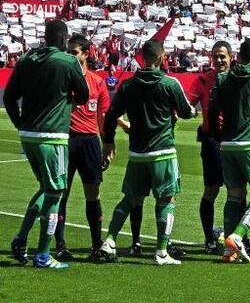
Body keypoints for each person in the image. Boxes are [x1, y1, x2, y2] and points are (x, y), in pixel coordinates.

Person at [97, 39, 195, 265]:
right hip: (163, 151)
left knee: (130, 199)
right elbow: (187, 111)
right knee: (167, 200)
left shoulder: (128, 86)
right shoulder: (170, 84)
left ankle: (110, 240)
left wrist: (108, 141)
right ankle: (161, 252)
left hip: (137, 154)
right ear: (162, 58)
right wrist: (188, 113)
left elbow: (111, 115)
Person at [5, 19, 88, 269]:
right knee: (54, 193)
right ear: (63, 39)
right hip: (53, 136)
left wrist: (20, 123)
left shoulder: (26, 59)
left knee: (45, 187)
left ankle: (21, 238)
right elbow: (83, 95)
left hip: (28, 136)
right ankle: (43, 255)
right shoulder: (68, 61)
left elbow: (9, 97)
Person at [207, 37, 250, 263]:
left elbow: (212, 109)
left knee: (234, 194)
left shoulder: (223, 78)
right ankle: (238, 235)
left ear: (238, 56)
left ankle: (229, 250)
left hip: (227, 144)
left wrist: (218, 135)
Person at [54, 35, 110, 261]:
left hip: (89, 142)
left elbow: (103, 116)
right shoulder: (62, 79)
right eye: (68, 52)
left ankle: (96, 246)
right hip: (66, 140)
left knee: (92, 195)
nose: (71, 56)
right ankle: (59, 245)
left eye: (74, 52)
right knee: (61, 195)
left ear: (86, 54)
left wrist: (108, 143)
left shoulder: (97, 82)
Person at [186, 41, 232, 253]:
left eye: (223, 56)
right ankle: (209, 240)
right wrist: (188, 109)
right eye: (216, 56)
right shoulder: (204, 80)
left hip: (234, 140)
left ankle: (235, 237)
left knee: (236, 191)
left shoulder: (238, 79)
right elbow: (187, 105)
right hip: (212, 140)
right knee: (211, 190)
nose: (220, 60)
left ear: (231, 57)